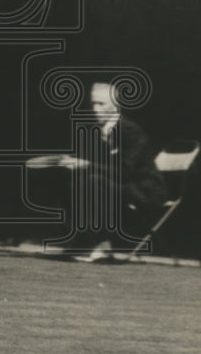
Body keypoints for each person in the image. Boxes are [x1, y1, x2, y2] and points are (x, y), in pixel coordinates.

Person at [68, 81, 167, 261]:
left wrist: (87, 165)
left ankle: (91, 242)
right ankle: (86, 239)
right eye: (93, 103)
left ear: (114, 106)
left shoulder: (130, 131)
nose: (95, 109)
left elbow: (124, 171)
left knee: (93, 180)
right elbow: (100, 166)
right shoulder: (100, 131)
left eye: (101, 104)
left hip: (144, 191)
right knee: (80, 179)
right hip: (122, 187)